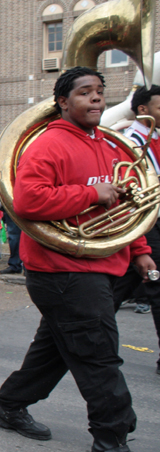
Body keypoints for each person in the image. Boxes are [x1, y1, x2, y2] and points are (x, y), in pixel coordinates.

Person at [0, 67, 160, 452]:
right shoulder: (48, 143)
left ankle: (11, 405)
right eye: (85, 92)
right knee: (98, 355)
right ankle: (110, 444)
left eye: (100, 91)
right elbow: (27, 201)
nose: (96, 98)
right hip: (63, 270)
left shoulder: (111, 143)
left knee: (55, 347)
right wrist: (90, 193)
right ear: (63, 102)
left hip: (103, 263)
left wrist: (140, 251)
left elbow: (127, 207)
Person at [112, 84, 160, 370]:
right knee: (156, 283)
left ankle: (82, 328)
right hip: (143, 221)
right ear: (143, 110)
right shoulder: (129, 141)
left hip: (154, 220)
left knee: (123, 284)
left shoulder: (156, 138)